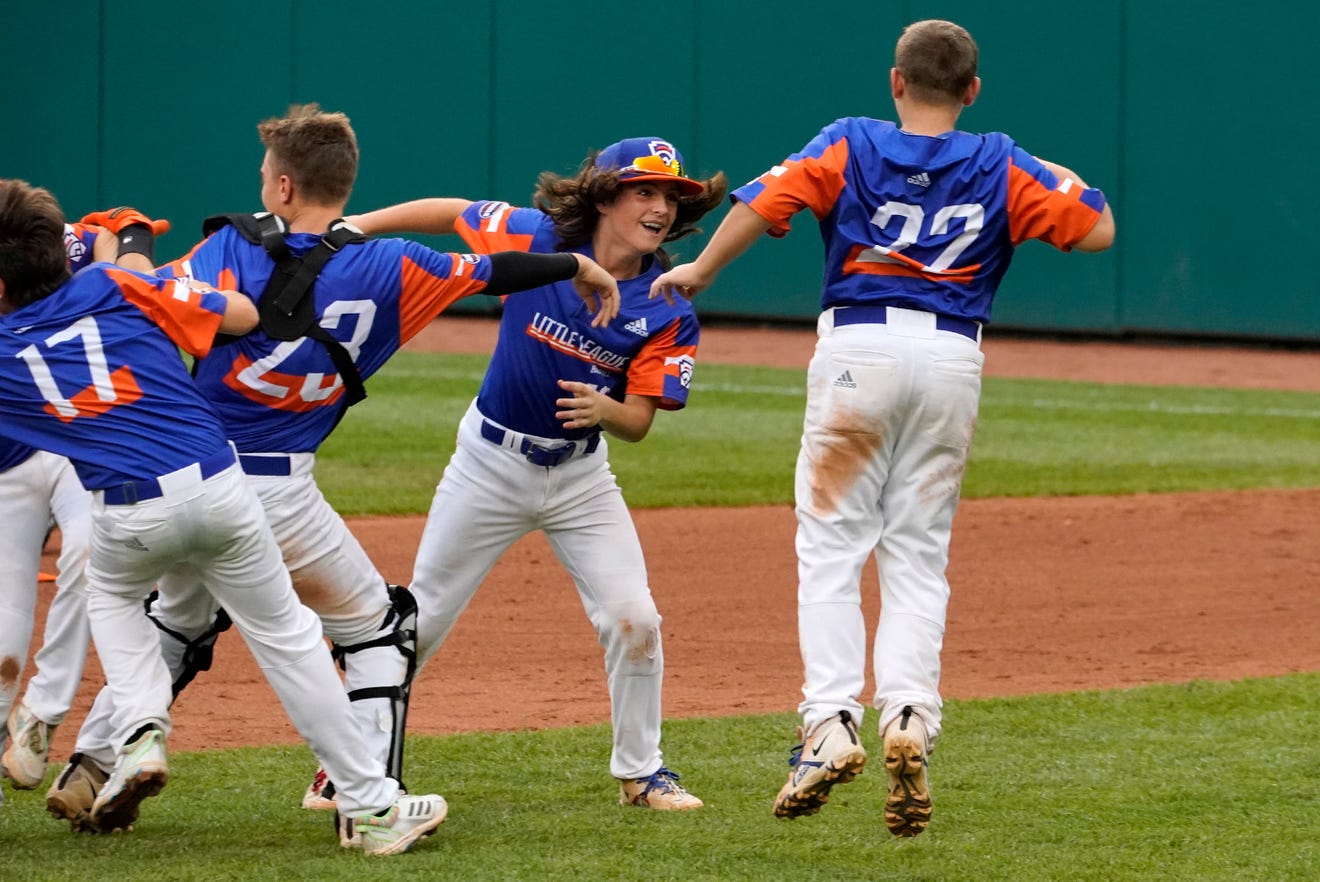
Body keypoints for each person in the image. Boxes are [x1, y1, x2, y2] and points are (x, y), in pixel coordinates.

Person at [44, 103, 621, 830]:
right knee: (381, 630)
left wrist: (121, 242)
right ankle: (368, 803)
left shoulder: (227, 250)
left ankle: (91, 765)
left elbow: (143, 297)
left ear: (283, 187)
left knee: (181, 622)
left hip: (189, 468)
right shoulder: (397, 263)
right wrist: (577, 262)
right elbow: (495, 272)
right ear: (345, 181)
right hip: (276, 488)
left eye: (265, 177)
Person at [651, 19, 1115, 835]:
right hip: (949, 363)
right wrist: (1061, 174)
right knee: (917, 556)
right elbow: (1097, 228)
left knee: (832, 546)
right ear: (971, 90)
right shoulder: (1003, 159)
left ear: (895, 81)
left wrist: (699, 269)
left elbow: (764, 202)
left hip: (858, 348)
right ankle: (910, 716)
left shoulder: (850, 141)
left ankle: (829, 724)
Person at [0, 178, 460, 854]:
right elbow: (241, 316)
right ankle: (371, 808)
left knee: (116, 601)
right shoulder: (116, 286)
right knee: (292, 641)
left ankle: (140, 728)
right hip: (222, 489)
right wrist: (126, 241)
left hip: (125, 514)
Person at [346, 136, 726, 810]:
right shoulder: (536, 238)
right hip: (489, 464)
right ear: (607, 196)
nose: (662, 207)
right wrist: (356, 227)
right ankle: (348, 768)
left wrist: (607, 407)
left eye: (672, 196)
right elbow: (452, 212)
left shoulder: (667, 305)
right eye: (646, 191)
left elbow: (638, 420)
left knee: (634, 616)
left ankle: (641, 773)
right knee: (419, 621)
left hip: (581, 480)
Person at [0, 211, 163, 796]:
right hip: (6, 470)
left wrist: (120, 235)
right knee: (3, 636)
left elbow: (107, 250)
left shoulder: (38, 237)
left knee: (91, 558)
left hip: (71, 443)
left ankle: (41, 716)